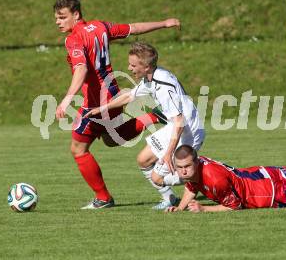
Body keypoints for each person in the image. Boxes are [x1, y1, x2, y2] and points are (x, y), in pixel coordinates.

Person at [53, 0, 181, 209]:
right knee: (112, 139)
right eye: (56, 18)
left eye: (62, 17)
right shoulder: (100, 27)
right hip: (112, 93)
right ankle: (153, 116)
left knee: (78, 149)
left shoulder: (73, 39)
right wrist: (164, 23)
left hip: (95, 100)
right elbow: (133, 28)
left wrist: (67, 99)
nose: (58, 22)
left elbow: (81, 69)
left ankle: (103, 198)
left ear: (76, 15)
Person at [85, 42, 205, 210]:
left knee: (158, 178)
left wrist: (169, 153)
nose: (129, 68)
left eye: (133, 65)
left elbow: (179, 122)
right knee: (143, 160)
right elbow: (129, 96)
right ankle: (170, 198)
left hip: (188, 130)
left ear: (147, 67)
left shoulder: (162, 86)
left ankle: (204, 176)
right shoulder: (150, 78)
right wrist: (100, 109)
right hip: (176, 125)